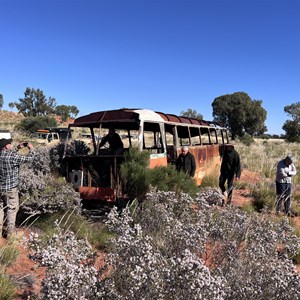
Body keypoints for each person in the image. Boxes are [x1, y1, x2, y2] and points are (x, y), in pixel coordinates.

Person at [0, 138, 34, 238]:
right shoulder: (12, 157)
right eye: (10, 144)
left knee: (0, 208)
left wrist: (18, 148)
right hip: (11, 189)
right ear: (6, 146)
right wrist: (31, 148)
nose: (11, 145)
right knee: (12, 209)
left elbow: (9, 155)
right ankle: (10, 233)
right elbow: (30, 158)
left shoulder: (5, 155)